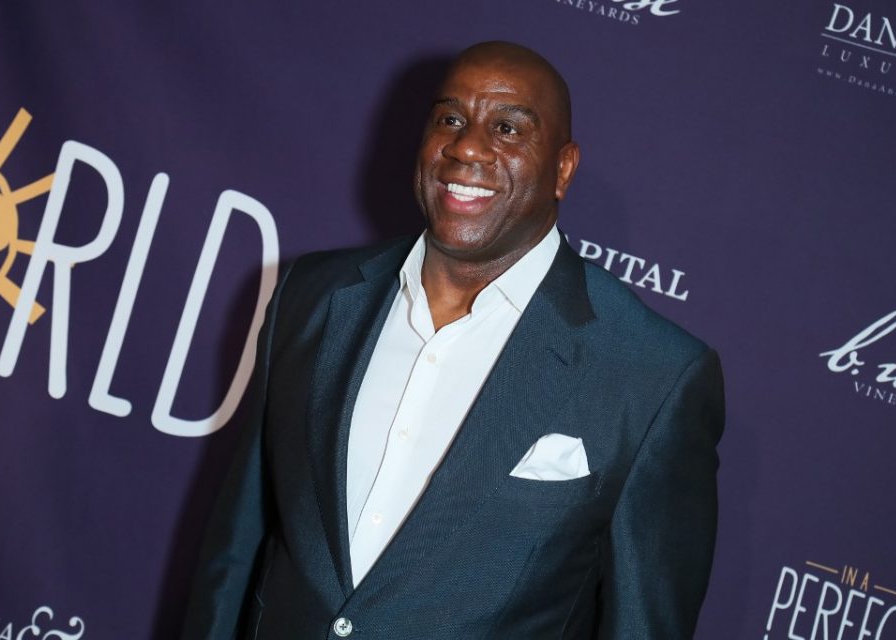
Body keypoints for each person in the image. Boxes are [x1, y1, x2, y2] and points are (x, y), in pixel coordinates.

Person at [181, 41, 725, 639]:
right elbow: (237, 547)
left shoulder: (651, 375)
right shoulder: (312, 296)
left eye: (508, 128)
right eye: (450, 119)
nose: (467, 147)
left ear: (563, 169)